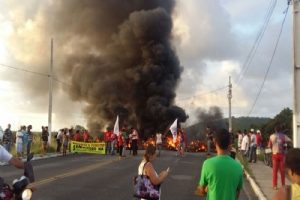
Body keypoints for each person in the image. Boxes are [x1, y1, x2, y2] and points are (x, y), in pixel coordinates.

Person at [196, 129, 243, 200]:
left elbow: (201, 190)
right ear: (230, 145)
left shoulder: (207, 164)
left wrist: (207, 189)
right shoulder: (238, 167)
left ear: (215, 143)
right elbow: (237, 193)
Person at [269, 125, 292, 190]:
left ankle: (275, 185)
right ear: (280, 130)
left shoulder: (272, 136)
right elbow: (290, 140)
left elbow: (270, 145)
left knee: (275, 171)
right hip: (282, 155)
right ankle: (283, 185)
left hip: (274, 154)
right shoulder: (284, 136)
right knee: (282, 171)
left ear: (275, 130)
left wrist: (273, 148)